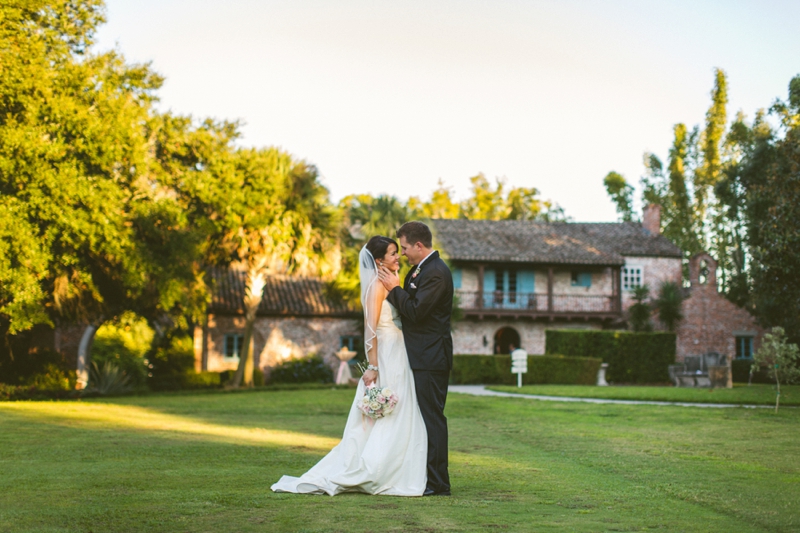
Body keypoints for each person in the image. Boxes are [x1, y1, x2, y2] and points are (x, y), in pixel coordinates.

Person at [271, 236, 427, 496]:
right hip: (386, 353)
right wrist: (373, 367)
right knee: (389, 411)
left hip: (401, 351)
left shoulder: (393, 283)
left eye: (398, 253)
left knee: (404, 409)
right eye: (392, 254)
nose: (397, 257)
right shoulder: (377, 287)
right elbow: (370, 331)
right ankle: (376, 468)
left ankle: (401, 468)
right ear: (378, 261)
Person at [377, 221, 453, 496]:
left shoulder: (436, 273)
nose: (404, 253)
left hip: (432, 356)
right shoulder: (420, 270)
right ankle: (425, 476)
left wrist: (394, 289)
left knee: (433, 418)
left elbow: (417, 312)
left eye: (406, 248)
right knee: (423, 418)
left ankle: (438, 483)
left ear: (419, 246)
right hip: (419, 354)